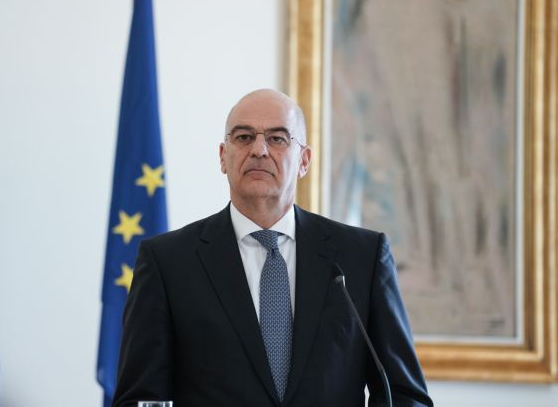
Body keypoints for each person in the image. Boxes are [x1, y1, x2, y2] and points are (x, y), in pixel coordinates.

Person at [113, 89, 433, 406]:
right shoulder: (168, 263)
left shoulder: (362, 257)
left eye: (277, 139)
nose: (259, 150)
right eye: (244, 137)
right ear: (223, 156)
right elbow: (140, 399)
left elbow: (405, 396)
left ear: (304, 160)